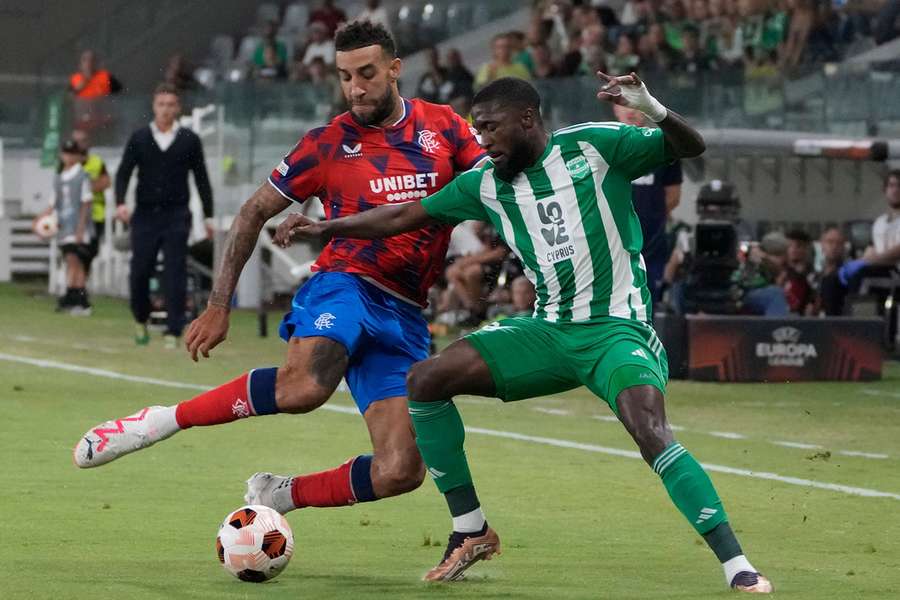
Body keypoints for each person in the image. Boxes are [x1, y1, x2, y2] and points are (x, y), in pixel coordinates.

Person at [275, 75, 773, 593]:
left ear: (528, 120)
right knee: (425, 379)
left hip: (616, 329)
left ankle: (736, 565)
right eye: (477, 129)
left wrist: (650, 106)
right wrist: (325, 228)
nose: (482, 140)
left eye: (490, 128)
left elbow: (689, 146)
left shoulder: (594, 146)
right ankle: (470, 529)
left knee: (649, 430)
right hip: (547, 330)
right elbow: (405, 215)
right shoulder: (485, 181)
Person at [73, 22, 486, 532]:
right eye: (344, 76)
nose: (355, 87)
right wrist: (220, 304)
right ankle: (162, 420)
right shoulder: (328, 143)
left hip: (405, 312)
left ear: (396, 69)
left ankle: (281, 493)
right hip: (346, 282)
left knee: (400, 471)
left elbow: (499, 176)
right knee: (305, 388)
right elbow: (252, 212)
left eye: (367, 73)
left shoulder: (443, 127)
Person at [113, 83, 214, 348]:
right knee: (140, 271)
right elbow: (124, 172)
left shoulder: (189, 140)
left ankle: (173, 329)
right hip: (145, 214)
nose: (166, 110)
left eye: (171, 105)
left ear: (178, 107)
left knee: (175, 271)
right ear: (154, 106)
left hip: (176, 214)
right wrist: (121, 202)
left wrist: (208, 216)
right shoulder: (139, 138)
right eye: (161, 104)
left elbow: (202, 179)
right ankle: (140, 317)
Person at [613, 102, 682, 307]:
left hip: (651, 243)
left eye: (635, 105)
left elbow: (673, 196)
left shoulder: (662, 144)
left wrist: (650, 216)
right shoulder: (607, 145)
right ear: (615, 110)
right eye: (624, 105)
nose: (631, 110)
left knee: (648, 300)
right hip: (613, 240)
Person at [37, 140, 95, 314]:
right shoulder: (59, 177)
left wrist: (80, 229)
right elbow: (52, 204)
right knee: (70, 262)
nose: (68, 157)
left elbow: (86, 203)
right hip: (64, 226)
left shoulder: (82, 176)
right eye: (66, 153)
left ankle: (80, 298)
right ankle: (72, 296)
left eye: (72, 154)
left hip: (77, 226)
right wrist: (39, 221)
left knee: (76, 261)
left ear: (78, 156)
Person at [70, 129, 111, 269]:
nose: (79, 144)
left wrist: (83, 186)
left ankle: (81, 282)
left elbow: (106, 182)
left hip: (95, 215)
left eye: (82, 141)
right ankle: (75, 285)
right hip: (72, 215)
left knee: (90, 251)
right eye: (76, 141)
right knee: (73, 251)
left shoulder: (97, 162)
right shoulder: (67, 163)